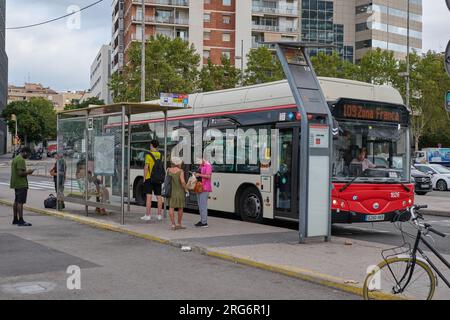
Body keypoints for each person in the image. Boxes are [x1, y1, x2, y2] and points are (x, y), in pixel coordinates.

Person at [10, 146, 34, 226]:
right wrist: (28, 172)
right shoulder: (21, 160)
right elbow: (20, 173)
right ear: (25, 152)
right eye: (28, 154)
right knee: (20, 202)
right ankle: (21, 220)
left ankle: (15, 219)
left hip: (16, 183)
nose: (28, 156)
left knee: (16, 201)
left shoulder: (16, 158)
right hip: (21, 184)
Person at [142, 140, 164, 222]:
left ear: (151, 145)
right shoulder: (160, 155)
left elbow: (146, 167)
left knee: (149, 197)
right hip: (158, 178)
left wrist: (144, 178)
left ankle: (147, 215)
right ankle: (159, 215)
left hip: (149, 178)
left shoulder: (148, 155)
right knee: (159, 197)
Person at [167, 156, 187, 230]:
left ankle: (173, 224)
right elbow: (182, 182)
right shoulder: (180, 171)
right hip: (179, 192)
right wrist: (186, 189)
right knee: (180, 208)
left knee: (171, 207)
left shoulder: (168, 170)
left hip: (171, 192)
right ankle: (179, 224)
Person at [194, 158, 213, 228]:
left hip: (205, 188)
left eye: (199, 162)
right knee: (200, 205)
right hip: (199, 187)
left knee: (203, 205)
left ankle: (204, 222)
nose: (198, 164)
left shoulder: (208, 165)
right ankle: (202, 220)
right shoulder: (201, 166)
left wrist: (199, 175)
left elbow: (208, 176)